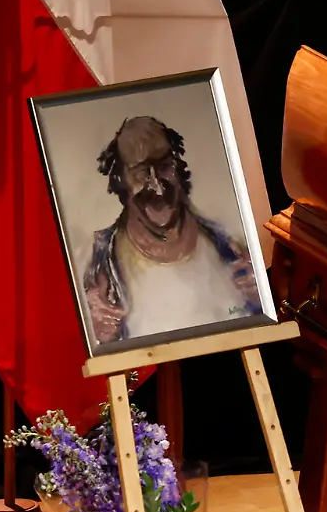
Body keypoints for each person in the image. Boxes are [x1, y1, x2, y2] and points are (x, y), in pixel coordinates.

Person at [82, 116, 262, 344]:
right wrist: (96, 334)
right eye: (141, 173)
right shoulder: (99, 263)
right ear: (121, 181)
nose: (157, 187)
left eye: (164, 166)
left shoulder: (230, 246)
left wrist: (260, 300)